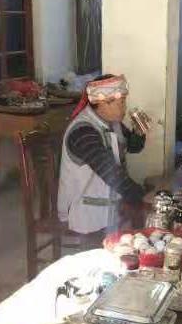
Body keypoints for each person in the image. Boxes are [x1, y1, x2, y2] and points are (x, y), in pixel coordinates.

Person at [58, 74, 147, 235]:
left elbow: (133, 147)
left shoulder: (113, 122)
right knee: (145, 221)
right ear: (101, 103)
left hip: (110, 208)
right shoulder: (83, 131)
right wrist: (142, 195)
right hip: (86, 215)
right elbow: (109, 171)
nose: (124, 108)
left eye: (124, 102)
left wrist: (139, 131)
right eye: (121, 103)